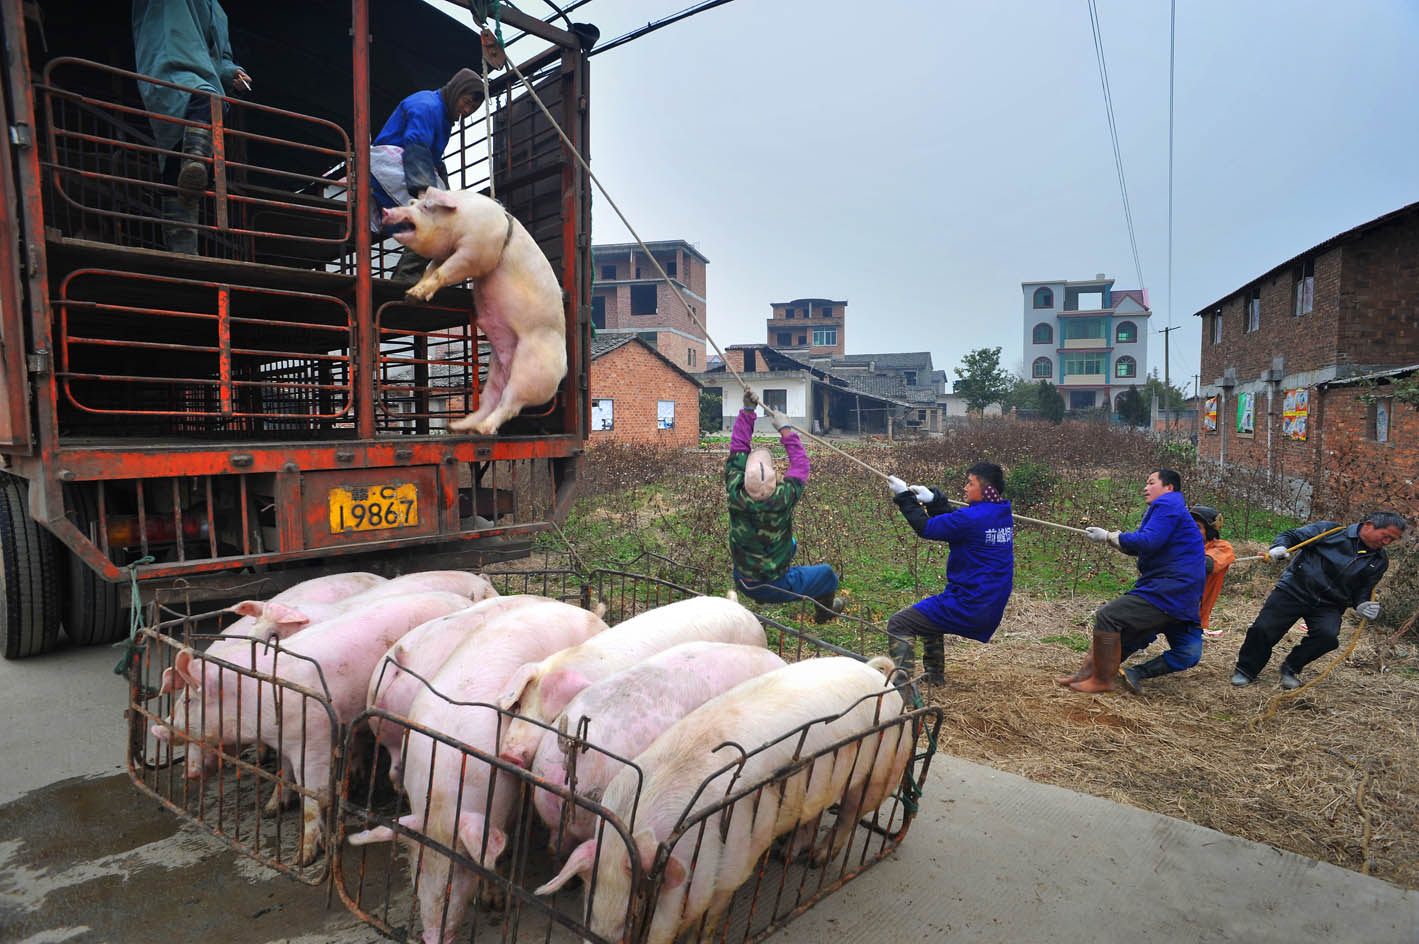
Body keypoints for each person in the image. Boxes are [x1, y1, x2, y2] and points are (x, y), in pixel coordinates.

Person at [1058, 468, 1204, 694]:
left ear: (1169, 488)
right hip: (1178, 592)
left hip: (1170, 590)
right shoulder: (1171, 508)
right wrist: (1111, 540)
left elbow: (1148, 541)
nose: (1145, 487)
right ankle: (1085, 675)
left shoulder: (1167, 504)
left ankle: (1101, 680)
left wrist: (1109, 536)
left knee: (1110, 616)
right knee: (1130, 631)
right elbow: (1146, 546)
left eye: (1151, 482)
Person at [1231, 511, 1407, 690]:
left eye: (1392, 540)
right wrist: (1279, 546)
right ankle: (1246, 670)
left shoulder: (1379, 561)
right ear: (1369, 525)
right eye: (1385, 536)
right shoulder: (1330, 532)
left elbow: (1363, 590)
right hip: (1294, 590)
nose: (1386, 543)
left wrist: (1363, 604)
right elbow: (1292, 536)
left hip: (1330, 604)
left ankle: (1291, 667)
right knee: (1263, 630)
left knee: (1327, 637)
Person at [132, 0, 252, 254]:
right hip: (167, 59)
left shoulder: (219, 12)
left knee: (177, 166)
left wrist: (234, 73)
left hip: (202, 70)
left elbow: (222, 57)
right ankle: (194, 159)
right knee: (205, 100)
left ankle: (182, 247)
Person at [883, 462, 1014, 687]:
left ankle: (903, 689)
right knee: (928, 619)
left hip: (970, 603)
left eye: (969, 483)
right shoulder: (1001, 513)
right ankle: (935, 679)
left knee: (899, 623)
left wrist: (904, 496)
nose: (964, 488)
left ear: (984, 489)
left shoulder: (970, 519)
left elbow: (926, 528)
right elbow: (957, 526)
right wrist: (936, 502)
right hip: (989, 602)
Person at [725, 387, 843, 623]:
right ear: (774, 481)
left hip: (743, 578)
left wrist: (748, 410)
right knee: (828, 575)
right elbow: (801, 466)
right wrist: (785, 429)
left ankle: (757, 594)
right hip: (776, 584)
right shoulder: (783, 497)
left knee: (791, 544)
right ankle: (825, 614)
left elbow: (738, 448)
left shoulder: (735, 490)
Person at [370, 69, 485, 281]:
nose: (467, 110)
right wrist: (426, 194)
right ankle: (404, 283)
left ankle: (412, 278)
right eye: (466, 102)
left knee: (446, 218)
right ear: (457, 92)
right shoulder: (427, 107)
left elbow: (433, 158)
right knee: (435, 223)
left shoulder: (443, 112)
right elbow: (417, 147)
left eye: (473, 108)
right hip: (390, 164)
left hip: (409, 163)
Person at [1193, 505, 1235, 637]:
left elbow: (1206, 565)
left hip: (1192, 615)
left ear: (1209, 531)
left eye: (1198, 527)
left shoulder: (1222, 548)